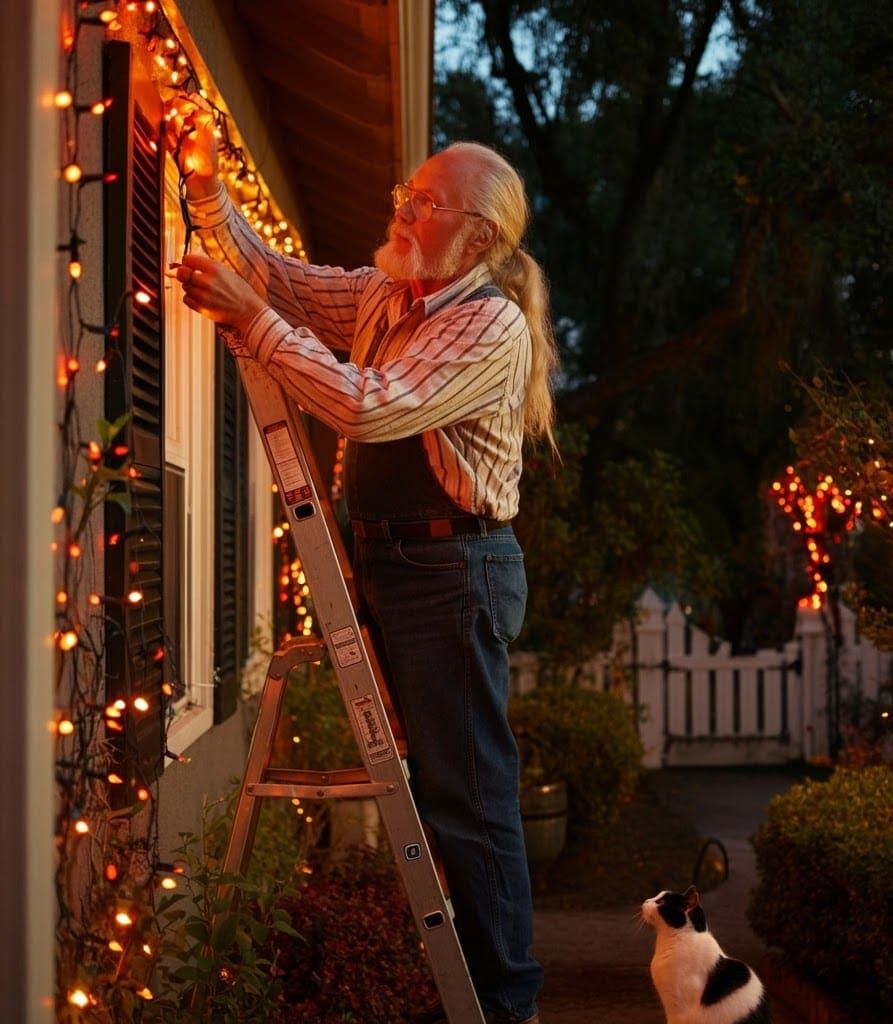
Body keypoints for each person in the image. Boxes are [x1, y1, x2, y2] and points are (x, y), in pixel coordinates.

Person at [167, 103, 557, 1024]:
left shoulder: (488, 325)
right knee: (430, 796)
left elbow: (371, 405)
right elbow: (285, 284)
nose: (401, 209)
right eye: (405, 192)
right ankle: (469, 988)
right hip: (392, 568)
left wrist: (250, 316)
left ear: (477, 234)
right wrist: (206, 186)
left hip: (453, 574)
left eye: (423, 200)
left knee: (468, 801)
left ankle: (508, 1005)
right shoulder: (391, 293)